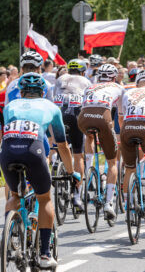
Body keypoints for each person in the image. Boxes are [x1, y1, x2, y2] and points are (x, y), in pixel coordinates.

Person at [1, 73, 75, 269]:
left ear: (21, 91)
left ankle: (8, 237)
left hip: (8, 151)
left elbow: (14, 132)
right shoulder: (51, 107)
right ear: (44, 91)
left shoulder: (10, 106)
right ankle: (44, 254)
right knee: (45, 199)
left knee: (15, 194)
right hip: (34, 149)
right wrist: (71, 171)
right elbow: (62, 145)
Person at [78, 64, 125, 219]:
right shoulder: (118, 88)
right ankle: (109, 203)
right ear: (114, 77)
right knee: (112, 162)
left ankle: (88, 168)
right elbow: (120, 116)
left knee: (89, 136)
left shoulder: (90, 87)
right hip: (102, 117)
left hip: (83, 118)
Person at [54, 59, 92, 209]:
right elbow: (89, 104)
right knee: (78, 155)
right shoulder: (86, 81)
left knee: (60, 143)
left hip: (58, 114)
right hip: (75, 114)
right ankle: (77, 195)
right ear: (83, 71)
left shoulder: (60, 78)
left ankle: (57, 160)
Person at [119, 70, 145, 207]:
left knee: (129, 168)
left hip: (127, 128)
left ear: (137, 84)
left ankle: (128, 204)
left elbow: (122, 117)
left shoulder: (128, 93)